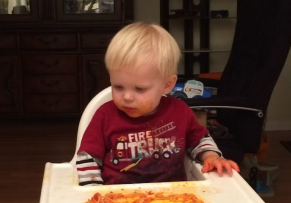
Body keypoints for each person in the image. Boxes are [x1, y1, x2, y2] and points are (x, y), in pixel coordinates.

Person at [76, 22, 239, 186]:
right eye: (118, 87)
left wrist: (210, 156)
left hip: (173, 199)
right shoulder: (105, 115)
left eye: (139, 89)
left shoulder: (179, 111)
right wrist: (93, 190)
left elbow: (199, 140)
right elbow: (88, 157)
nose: (126, 96)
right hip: (118, 199)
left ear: (167, 85)